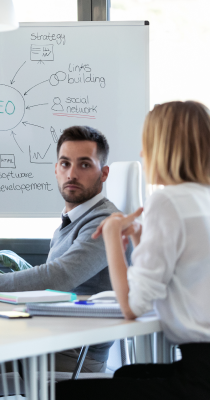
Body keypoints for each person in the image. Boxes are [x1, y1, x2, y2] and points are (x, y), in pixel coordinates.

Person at [57, 101, 210, 399]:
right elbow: (170, 279)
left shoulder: (168, 201)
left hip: (199, 376)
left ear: (165, 148)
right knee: (127, 374)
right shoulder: (201, 199)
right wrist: (140, 238)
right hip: (202, 367)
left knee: (62, 393)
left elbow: (132, 307)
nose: (142, 153)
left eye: (147, 144)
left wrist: (112, 235)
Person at [0, 126, 124, 372]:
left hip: (74, 355)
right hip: (46, 336)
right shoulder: (72, 220)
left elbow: (57, 277)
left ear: (104, 173)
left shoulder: (106, 222)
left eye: (84, 165)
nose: (71, 174)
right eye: (65, 164)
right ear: (56, 169)